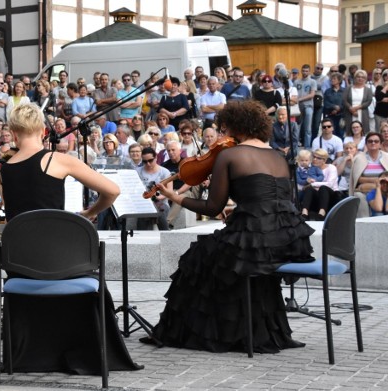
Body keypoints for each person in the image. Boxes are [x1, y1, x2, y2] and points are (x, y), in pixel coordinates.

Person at [143, 100, 314, 353]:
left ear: (235, 125)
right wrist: (238, 211)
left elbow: (212, 207)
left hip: (257, 240)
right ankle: (261, 328)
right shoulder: (278, 155)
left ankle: (216, 331)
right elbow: (270, 199)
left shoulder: (230, 155)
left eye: (223, 129)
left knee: (199, 257)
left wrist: (175, 197)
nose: (222, 135)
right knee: (225, 255)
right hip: (287, 237)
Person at [0, 102, 140, 373]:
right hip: (63, 262)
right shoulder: (58, 159)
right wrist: (89, 212)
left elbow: (12, 221)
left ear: (13, 133)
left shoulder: (3, 171)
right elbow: (112, 190)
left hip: (22, 265)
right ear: (42, 130)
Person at [349, 132, 388, 217]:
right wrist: (377, 181)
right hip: (364, 192)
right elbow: (358, 179)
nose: (373, 143)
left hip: (384, 189)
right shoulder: (359, 158)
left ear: (381, 144)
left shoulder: (387, 157)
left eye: (376, 141)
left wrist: (366, 185)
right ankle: (363, 222)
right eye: (370, 141)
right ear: (366, 144)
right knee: (358, 195)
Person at [299, 149, 339, 220]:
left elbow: (330, 184)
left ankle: (322, 212)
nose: (315, 159)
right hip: (316, 196)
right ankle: (304, 212)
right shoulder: (309, 169)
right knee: (309, 189)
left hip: (331, 195)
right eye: (314, 157)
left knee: (323, 188)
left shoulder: (331, 168)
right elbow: (303, 184)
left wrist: (313, 184)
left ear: (324, 160)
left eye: (318, 158)